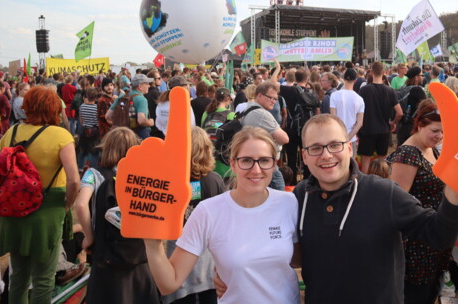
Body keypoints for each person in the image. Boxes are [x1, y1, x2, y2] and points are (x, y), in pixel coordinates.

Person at [294, 114, 458, 303]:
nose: (326, 155)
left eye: (335, 145)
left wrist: (454, 196)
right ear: (304, 156)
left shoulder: (383, 193)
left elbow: (440, 235)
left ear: (349, 148)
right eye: (316, 148)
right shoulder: (300, 196)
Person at [144, 127, 300, 304]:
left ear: (274, 164)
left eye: (264, 160)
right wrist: (152, 244)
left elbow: (299, 258)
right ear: (233, 163)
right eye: (246, 160)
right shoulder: (208, 212)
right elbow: (169, 283)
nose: (256, 170)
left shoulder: (289, 203)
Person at [0, 86, 80, 303]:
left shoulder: (13, 131)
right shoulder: (61, 135)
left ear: (27, 107)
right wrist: (68, 203)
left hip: (15, 208)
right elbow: (74, 179)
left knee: (19, 275)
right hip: (49, 208)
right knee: (44, 277)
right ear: (54, 109)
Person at [74, 127, 160, 304]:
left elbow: (81, 204)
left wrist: (89, 237)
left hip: (105, 254)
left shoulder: (94, 174)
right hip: (137, 254)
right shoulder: (143, 177)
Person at [387, 99, 450, 303]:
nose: (439, 136)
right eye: (435, 130)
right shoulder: (407, 154)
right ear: (420, 125)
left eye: (443, 132)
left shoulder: (432, 150)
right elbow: (396, 202)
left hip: (433, 239)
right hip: (415, 245)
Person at [163, 127, 225, 304]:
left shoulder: (170, 181)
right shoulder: (215, 180)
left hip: (178, 255)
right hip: (208, 258)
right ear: (207, 149)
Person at [357, 61, 401, 173]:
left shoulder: (364, 90)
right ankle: (383, 180)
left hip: (367, 130)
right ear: (384, 72)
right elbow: (400, 112)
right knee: (382, 159)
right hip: (384, 130)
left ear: (371, 72)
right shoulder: (390, 91)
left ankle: (365, 183)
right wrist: (393, 123)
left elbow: (357, 110)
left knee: (366, 159)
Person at [106, 73, 155, 140]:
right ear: (140, 86)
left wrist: (121, 123)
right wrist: (150, 122)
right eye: (147, 84)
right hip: (138, 135)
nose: (149, 86)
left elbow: (108, 116)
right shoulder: (142, 99)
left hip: (121, 135)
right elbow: (141, 121)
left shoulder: (121, 97)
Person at [329, 68, 364, 156]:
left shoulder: (334, 95)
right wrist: (347, 138)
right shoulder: (359, 99)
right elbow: (359, 123)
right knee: (351, 167)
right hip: (350, 139)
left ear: (343, 79)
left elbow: (333, 118)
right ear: (355, 80)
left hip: (337, 137)